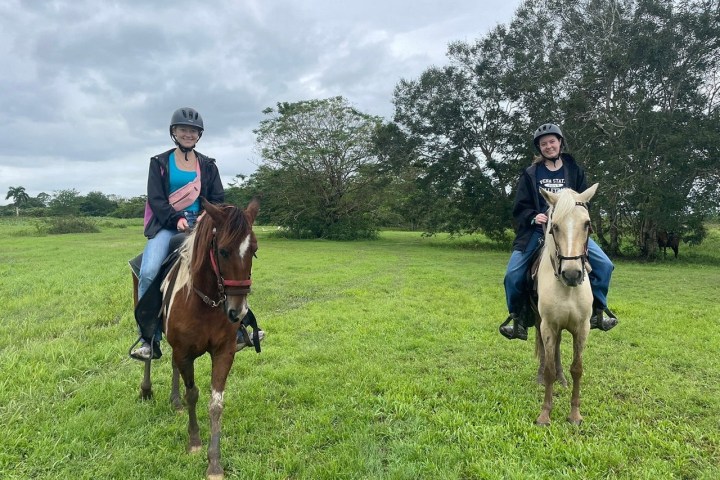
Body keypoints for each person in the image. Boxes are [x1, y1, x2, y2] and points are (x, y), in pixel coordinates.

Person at [131, 107, 263, 359]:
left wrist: (205, 216)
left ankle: (240, 327)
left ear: (198, 135)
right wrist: (176, 219)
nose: (188, 134)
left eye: (193, 131)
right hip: (168, 227)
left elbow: (217, 197)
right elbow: (157, 200)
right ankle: (149, 338)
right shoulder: (158, 163)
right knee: (148, 272)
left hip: (203, 225)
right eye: (183, 130)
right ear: (174, 132)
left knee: (231, 259)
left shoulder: (208, 164)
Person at [499, 123, 618, 340]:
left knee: (605, 266)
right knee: (512, 275)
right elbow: (520, 207)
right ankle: (518, 320)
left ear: (560, 143)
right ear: (539, 148)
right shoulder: (531, 174)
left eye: (552, 141)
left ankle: (598, 313)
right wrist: (533, 216)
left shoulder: (574, 170)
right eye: (543, 144)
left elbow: (583, 202)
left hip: (571, 231)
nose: (548, 146)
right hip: (538, 231)